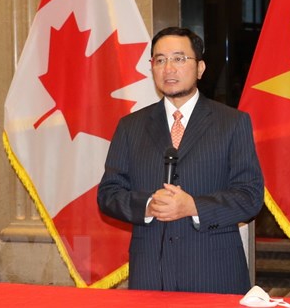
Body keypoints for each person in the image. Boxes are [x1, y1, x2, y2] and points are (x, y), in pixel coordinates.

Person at [97, 26, 264, 294]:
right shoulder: (130, 126)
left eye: (179, 58)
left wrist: (193, 206)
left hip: (214, 273)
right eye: (160, 60)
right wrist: (148, 206)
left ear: (200, 68)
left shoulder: (232, 123)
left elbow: (250, 196)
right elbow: (109, 194)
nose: (168, 68)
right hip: (151, 274)